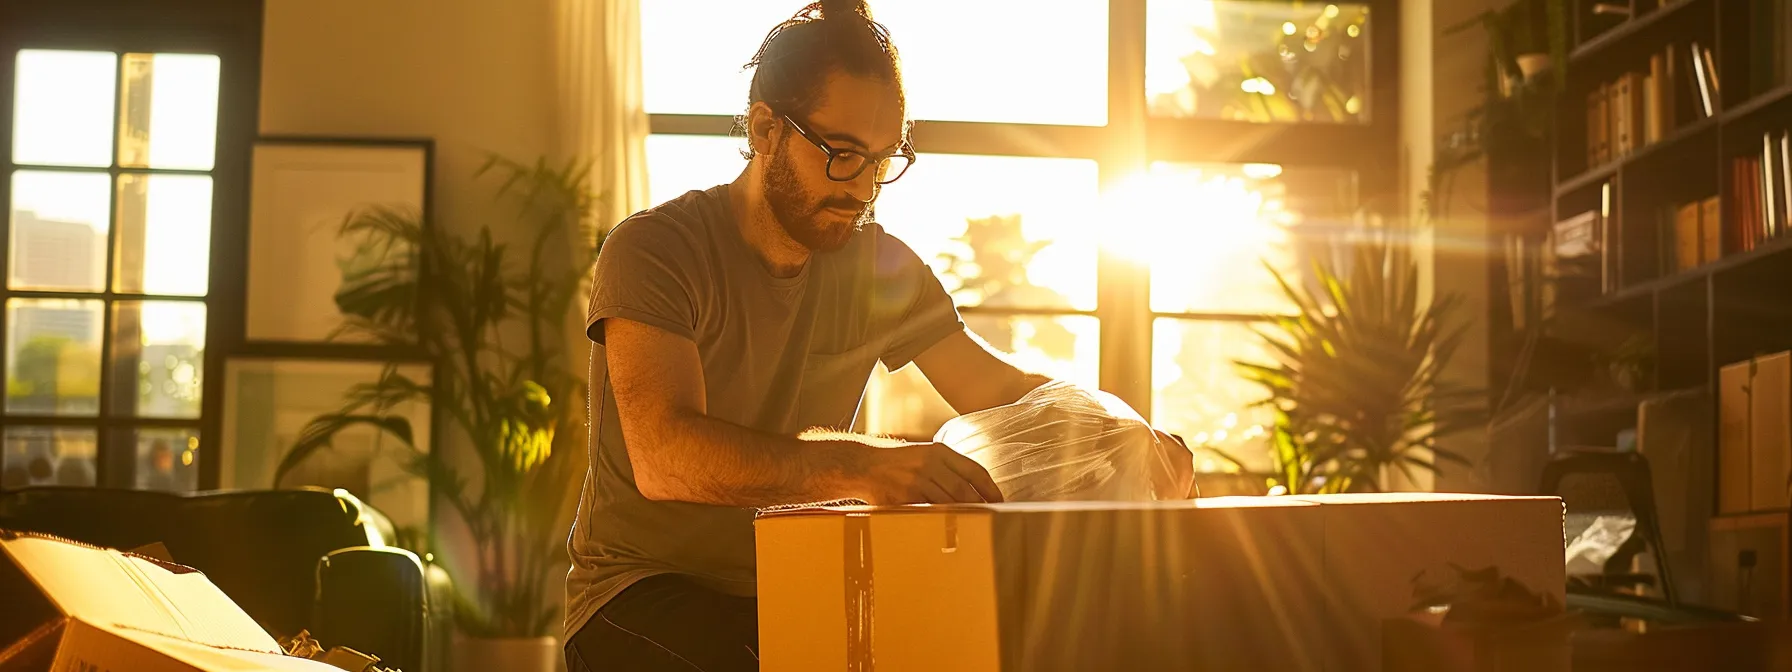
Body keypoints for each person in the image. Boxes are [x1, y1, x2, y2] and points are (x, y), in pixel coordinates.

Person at [562, 1, 1195, 670]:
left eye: (881, 160)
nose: (862, 188)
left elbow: (1001, 391)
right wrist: (867, 468)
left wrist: (1129, 433)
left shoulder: (877, 265)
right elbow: (665, 457)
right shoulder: (657, 251)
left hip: (800, 580)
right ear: (765, 129)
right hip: (638, 593)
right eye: (841, 155)